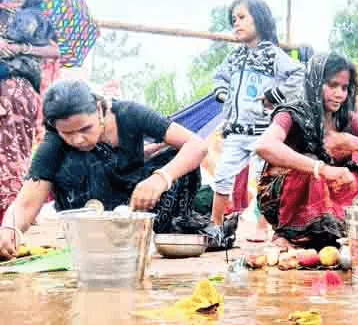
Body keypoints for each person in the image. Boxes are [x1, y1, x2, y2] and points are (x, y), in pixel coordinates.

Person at [0, 80, 208, 260]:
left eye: (85, 129)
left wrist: (160, 178)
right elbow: (26, 203)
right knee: (72, 162)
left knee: (177, 157)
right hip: (92, 216)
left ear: (100, 109)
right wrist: (9, 229)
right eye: (67, 133)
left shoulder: (129, 113)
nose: (78, 139)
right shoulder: (53, 142)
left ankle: (160, 233)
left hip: (138, 206)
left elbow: (197, 145)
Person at [255, 52, 358, 250]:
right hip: (282, 199)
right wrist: (323, 169)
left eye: (344, 88)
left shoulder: (347, 119)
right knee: (311, 167)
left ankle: (335, 233)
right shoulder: (292, 113)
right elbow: (264, 145)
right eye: (332, 85)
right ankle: (289, 234)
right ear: (315, 82)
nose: (340, 94)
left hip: (327, 200)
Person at [209, 0, 304, 246]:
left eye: (242, 18)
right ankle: (215, 226)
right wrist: (224, 93)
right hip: (236, 130)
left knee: (268, 179)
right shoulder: (235, 57)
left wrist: (275, 95)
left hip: (264, 131)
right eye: (233, 20)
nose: (236, 23)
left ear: (259, 20)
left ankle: (264, 227)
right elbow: (219, 76)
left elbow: (299, 74)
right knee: (222, 175)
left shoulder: (273, 55)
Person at [0, 0, 61, 221]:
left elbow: (54, 50)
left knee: (13, 153)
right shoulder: (8, 16)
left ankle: (13, 217)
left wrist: (20, 48)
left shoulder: (28, 17)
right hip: (13, 87)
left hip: (16, 90)